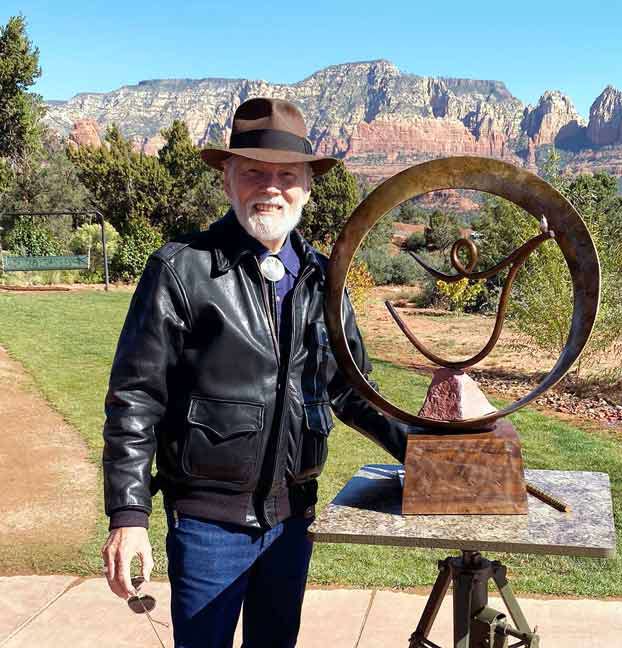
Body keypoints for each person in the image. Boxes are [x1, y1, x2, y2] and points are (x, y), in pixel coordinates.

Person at [101, 97, 412, 648]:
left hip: (293, 519)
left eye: (286, 175)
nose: (271, 187)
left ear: (307, 185)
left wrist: (434, 453)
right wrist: (128, 515)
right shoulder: (182, 270)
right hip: (206, 524)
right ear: (228, 179)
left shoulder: (324, 280)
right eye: (254, 173)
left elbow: (354, 392)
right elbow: (136, 398)